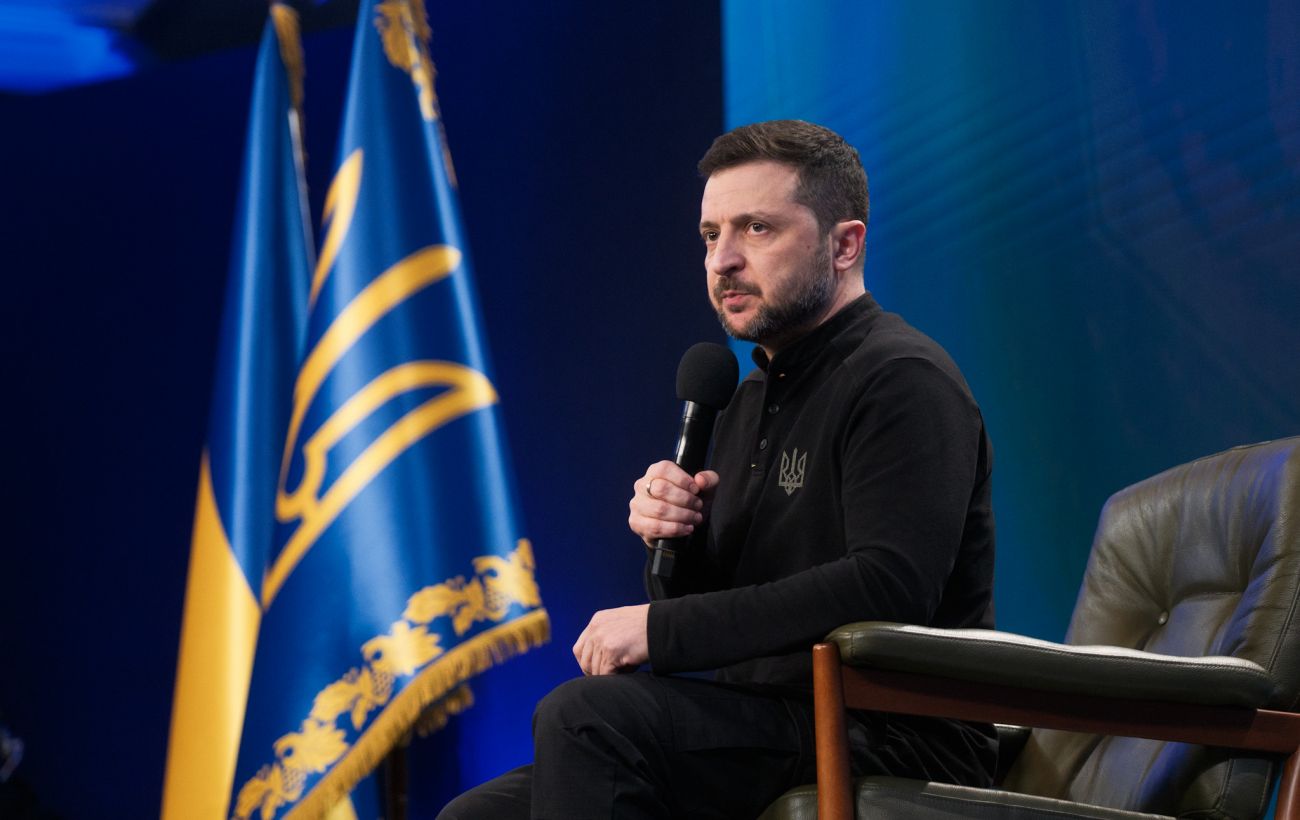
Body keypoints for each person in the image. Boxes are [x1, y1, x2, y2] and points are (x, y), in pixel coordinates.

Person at [439, 119, 996, 819]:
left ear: (845, 244)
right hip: (765, 718)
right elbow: (729, 603)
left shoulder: (902, 379)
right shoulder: (748, 396)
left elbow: (889, 586)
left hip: (890, 733)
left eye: (756, 229)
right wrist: (676, 540)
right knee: (474, 816)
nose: (722, 260)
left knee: (589, 718)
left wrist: (659, 629)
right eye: (710, 235)